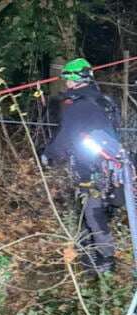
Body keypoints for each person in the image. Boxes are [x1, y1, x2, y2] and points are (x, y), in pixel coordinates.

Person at [42, 57, 126, 275]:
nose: (66, 84)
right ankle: (93, 251)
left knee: (93, 213)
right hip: (112, 166)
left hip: (92, 168)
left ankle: (105, 263)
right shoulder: (104, 101)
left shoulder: (77, 107)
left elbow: (65, 139)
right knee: (98, 212)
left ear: (74, 80)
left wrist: (48, 156)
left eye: (68, 79)